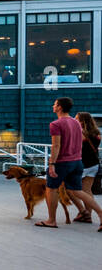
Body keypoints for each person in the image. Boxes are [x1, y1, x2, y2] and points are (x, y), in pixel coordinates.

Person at [39, 97, 102, 230]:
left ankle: (51, 220)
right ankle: (101, 214)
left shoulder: (56, 124)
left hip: (62, 162)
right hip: (77, 162)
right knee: (77, 190)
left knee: (51, 189)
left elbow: (56, 146)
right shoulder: (76, 123)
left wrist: (52, 164)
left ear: (60, 107)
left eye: (55, 104)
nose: (53, 106)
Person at [79, 111, 101, 212]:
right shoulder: (97, 133)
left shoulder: (81, 133)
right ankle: (88, 213)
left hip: (84, 164)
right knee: (87, 190)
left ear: (82, 121)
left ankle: (86, 212)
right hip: (94, 164)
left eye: (76, 119)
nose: (74, 121)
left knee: (72, 190)